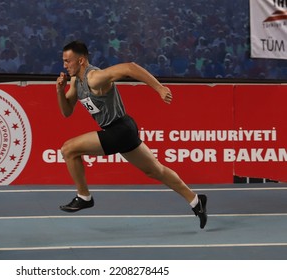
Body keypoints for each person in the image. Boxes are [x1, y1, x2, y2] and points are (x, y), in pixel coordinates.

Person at [56, 41, 208, 229]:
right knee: (155, 170)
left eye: (67, 61)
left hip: (119, 130)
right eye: (63, 61)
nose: (64, 65)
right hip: (123, 130)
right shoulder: (75, 82)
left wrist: (159, 88)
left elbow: (130, 67)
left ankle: (84, 197)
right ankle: (195, 201)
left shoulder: (94, 77)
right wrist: (59, 91)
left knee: (68, 149)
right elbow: (66, 112)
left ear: (80, 60)